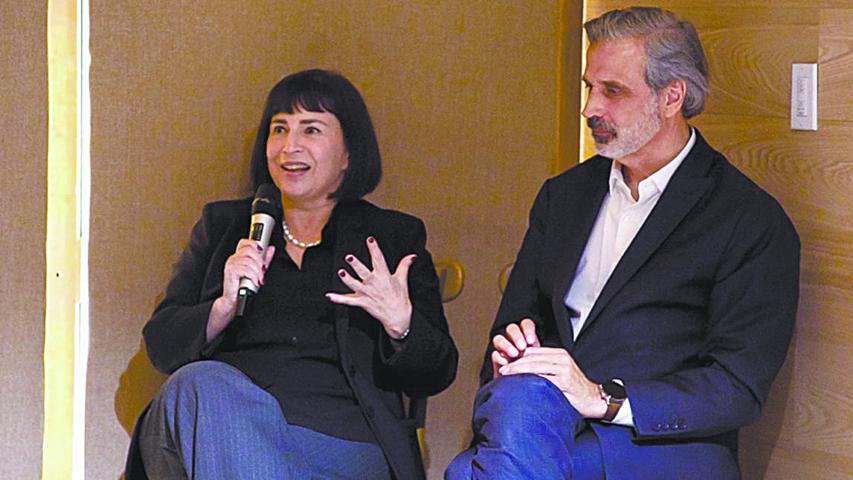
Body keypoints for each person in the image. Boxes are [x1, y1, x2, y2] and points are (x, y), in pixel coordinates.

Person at [446, 7, 799, 479]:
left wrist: (603, 398)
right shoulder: (564, 195)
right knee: (515, 414)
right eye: (592, 87)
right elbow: (511, 324)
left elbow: (737, 386)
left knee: (471, 472)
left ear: (671, 96)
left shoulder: (747, 219)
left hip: (657, 442)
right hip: (542, 417)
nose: (591, 108)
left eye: (613, 91)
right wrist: (514, 349)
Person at [124, 69, 458, 480]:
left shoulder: (391, 237)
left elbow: (438, 370)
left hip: (341, 446)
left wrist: (400, 323)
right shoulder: (225, 227)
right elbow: (162, 347)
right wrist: (222, 306)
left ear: (349, 154)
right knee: (199, 383)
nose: (289, 146)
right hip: (225, 430)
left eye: (311, 129)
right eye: (279, 129)